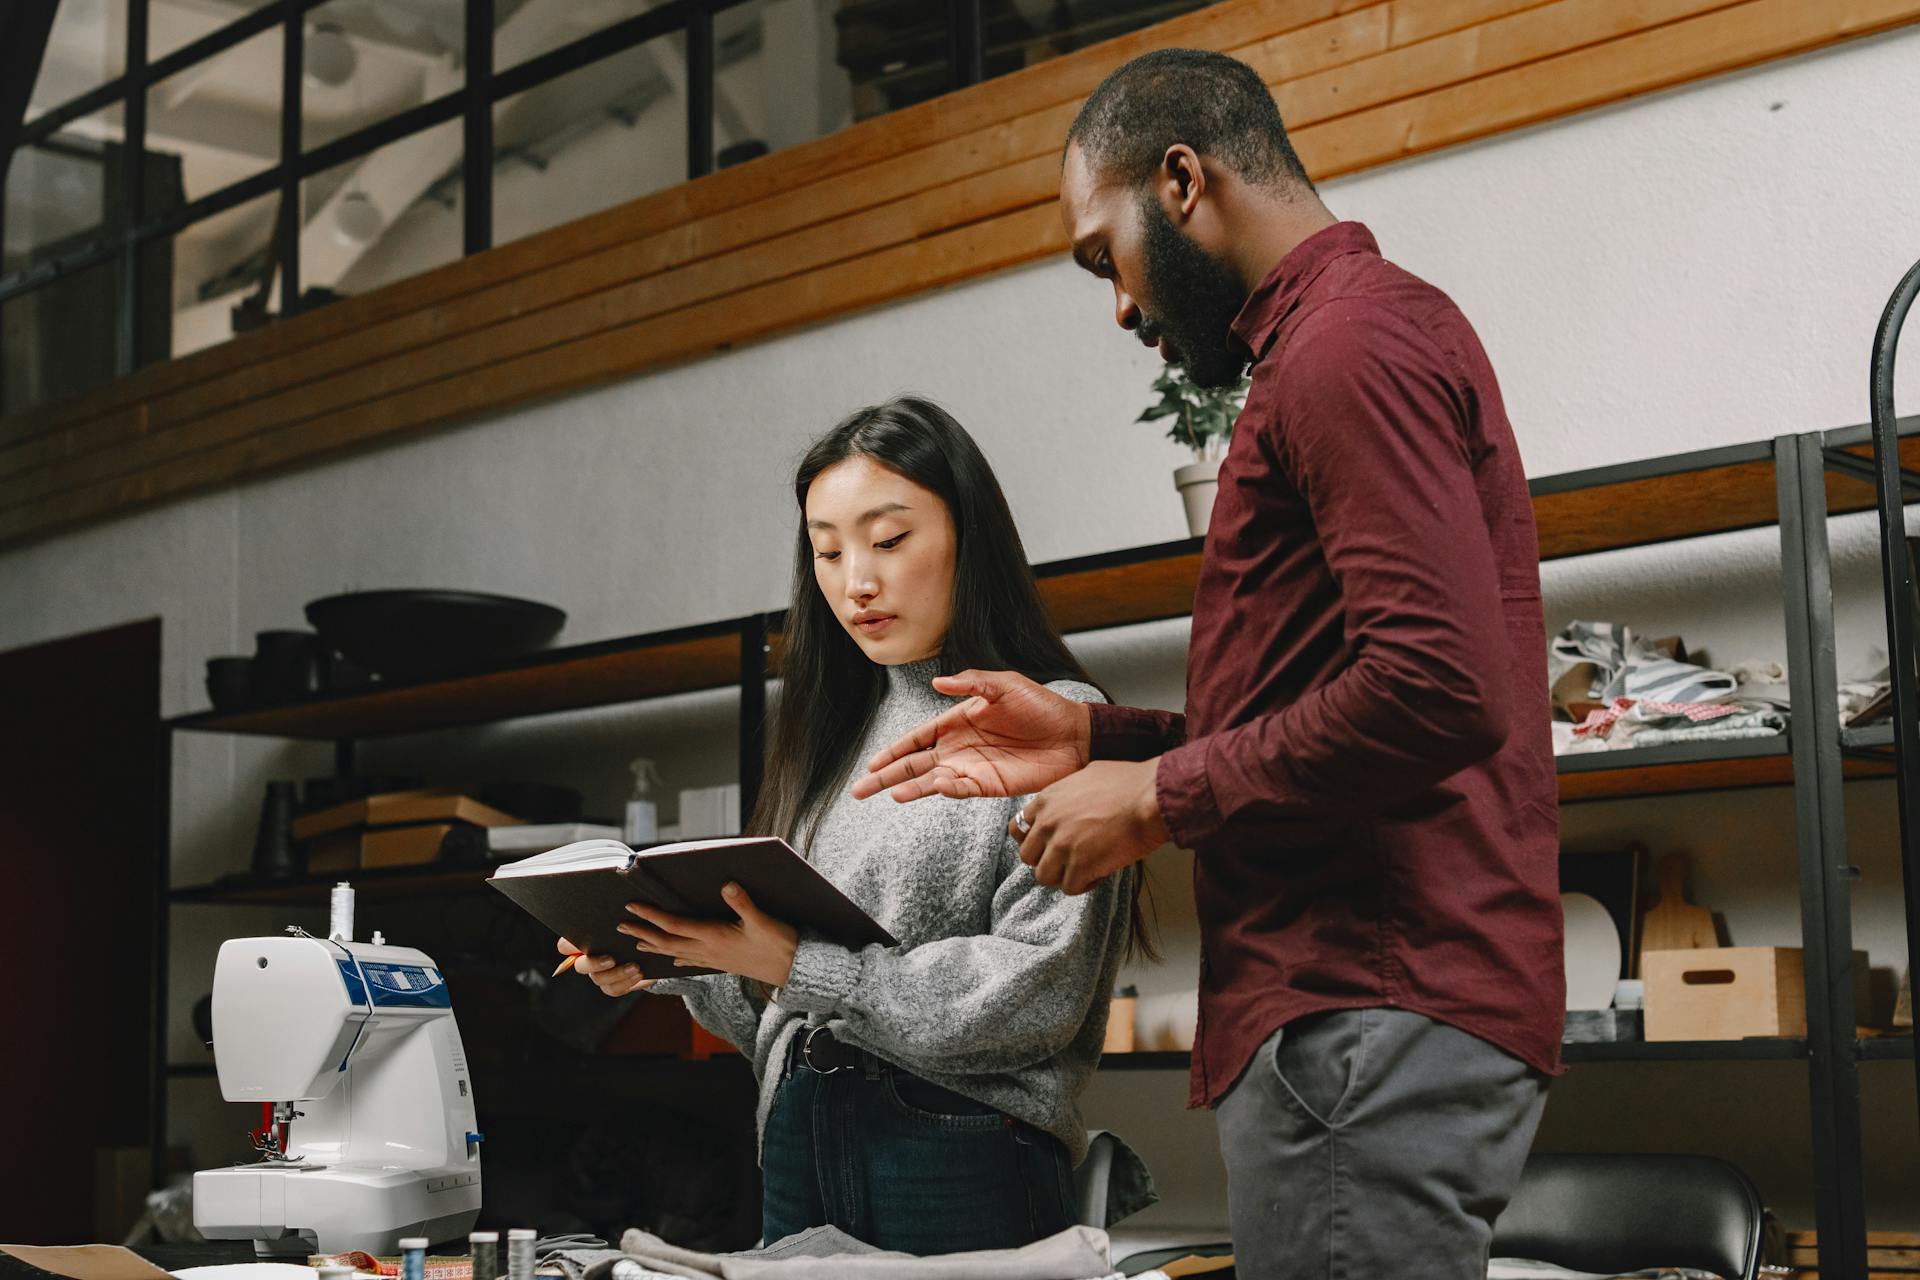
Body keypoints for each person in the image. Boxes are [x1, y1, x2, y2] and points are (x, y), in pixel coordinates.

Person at [852, 50, 1564, 1280]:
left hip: (1365, 1005)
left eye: (1102, 254)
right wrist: (1097, 741)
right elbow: (1321, 696)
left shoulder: (1347, 349)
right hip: (1359, 1013)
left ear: (1180, 180)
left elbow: (1437, 687)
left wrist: (1156, 799)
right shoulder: (1340, 345)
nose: (1120, 305)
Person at [560, 395, 1152, 1255]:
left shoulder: (1061, 723)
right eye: (827, 551)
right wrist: (675, 957)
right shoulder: (828, 743)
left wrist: (804, 967)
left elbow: (1037, 995)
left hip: (959, 1146)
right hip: (796, 1132)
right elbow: (779, 1003)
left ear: (969, 538)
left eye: (888, 540)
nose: (855, 581)